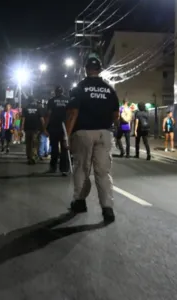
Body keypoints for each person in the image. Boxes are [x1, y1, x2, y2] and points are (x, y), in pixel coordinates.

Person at [65, 57, 119, 223]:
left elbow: (73, 113)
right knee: (103, 172)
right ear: (100, 69)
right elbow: (116, 115)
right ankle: (107, 208)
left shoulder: (80, 88)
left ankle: (80, 201)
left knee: (82, 168)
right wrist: (115, 132)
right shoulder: (109, 90)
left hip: (84, 133)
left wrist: (66, 135)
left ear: (85, 69)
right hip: (105, 133)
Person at [45, 85, 70, 175]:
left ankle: (53, 167)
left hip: (54, 127)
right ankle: (64, 169)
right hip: (65, 127)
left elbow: (48, 114)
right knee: (64, 148)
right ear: (62, 91)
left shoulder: (51, 101)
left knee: (54, 148)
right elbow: (70, 114)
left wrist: (45, 128)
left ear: (55, 92)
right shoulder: (68, 100)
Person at [21, 98, 44, 164]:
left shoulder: (25, 108)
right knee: (35, 143)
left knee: (28, 143)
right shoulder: (38, 108)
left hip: (27, 128)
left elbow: (23, 119)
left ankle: (29, 157)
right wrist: (44, 127)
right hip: (36, 128)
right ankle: (33, 156)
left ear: (28, 101)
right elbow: (42, 119)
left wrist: (22, 128)